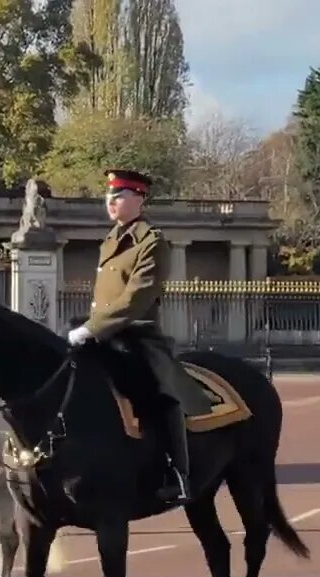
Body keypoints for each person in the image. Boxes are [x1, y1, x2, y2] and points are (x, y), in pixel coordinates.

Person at [66, 169, 212, 503]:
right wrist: (89, 327)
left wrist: (93, 328)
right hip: (104, 334)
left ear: (139, 199)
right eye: (108, 195)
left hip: (138, 336)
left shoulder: (152, 242)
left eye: (118, 195)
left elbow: (136, 298)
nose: (110, 201)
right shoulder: (111, 241)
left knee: (156, 395)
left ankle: (178, 473)